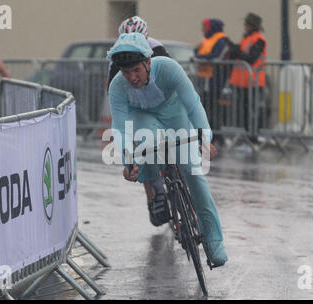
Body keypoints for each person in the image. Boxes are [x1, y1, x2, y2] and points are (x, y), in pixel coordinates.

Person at [107, 32, 228, 267]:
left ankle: (213, 240)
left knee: (194, 174)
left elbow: (193, 104)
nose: (131, 77)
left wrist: (204, 136)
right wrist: (127, 160)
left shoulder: (169, 69)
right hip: (142, 117)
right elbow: (120, 128)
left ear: (148, 62)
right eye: (126, 72)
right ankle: (155, 182)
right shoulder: (117, 86)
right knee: (147, 143)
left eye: (136, 71)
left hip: (174, 113)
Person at [106, 16, 170, 220]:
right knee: (139, 147)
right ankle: (152, 198)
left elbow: (172, 78)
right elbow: (115, 95)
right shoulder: (119, 56)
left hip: (159, 101)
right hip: (136, 106)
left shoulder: (156, 48)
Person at [227, 13, 267, 143]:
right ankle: (247, 137)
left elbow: (251, 58)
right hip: (242, 82)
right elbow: (240, 54)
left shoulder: (259, 39)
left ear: (252, 25)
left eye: (246, 24)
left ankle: (253, 138)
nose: (244, 26)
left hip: (253, 82)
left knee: (251, 112)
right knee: (244, 112)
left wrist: (236, 51)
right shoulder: (246, 39)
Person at [194, 18, 229, 146]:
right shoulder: (206, 39)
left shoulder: (221, 40)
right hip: (204, 80)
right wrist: (200, 57)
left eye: (205, 26)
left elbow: (216, 56)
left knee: (213, 110)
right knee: (205, 110)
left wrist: (200, 58)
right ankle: (211, 136)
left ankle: (217, 137)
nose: (203, 29)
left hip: (215, 80)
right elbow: (197, 51)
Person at [107, 16, 169, 87]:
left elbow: (169, 73)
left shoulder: (157, 47)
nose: (133, 48)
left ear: (146, 38)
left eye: (138, 42)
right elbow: (111, 84)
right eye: (128, 43)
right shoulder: (117, 53)